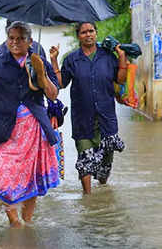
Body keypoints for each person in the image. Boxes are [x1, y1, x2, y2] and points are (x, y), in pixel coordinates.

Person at [0, 21, 60, 227]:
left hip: (34, 128)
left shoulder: (40, 62)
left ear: (30, 41)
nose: (15, 42)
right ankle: (14, 222)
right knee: (4, 176)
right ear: (6, 39)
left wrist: (42, 73)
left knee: (31, 177)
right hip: (6, 129)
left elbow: (53, 95)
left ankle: (26, 221)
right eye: (11, 38)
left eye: (21, 38)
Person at [49, 22, 127, 194]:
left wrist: (121, 56)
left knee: (104, 167)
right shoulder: (71, 59)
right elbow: (61, 84)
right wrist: (54, 60)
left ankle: (102, 188)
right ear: (78, 36)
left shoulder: (108, 56)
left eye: (91, 31)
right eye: (84, 32)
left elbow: (120, 80)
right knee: (85, 160)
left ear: (96, 33)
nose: (88, 35)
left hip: (106, 118)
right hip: (83, 119)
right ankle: (88, 198)